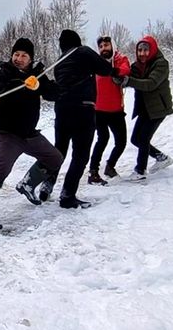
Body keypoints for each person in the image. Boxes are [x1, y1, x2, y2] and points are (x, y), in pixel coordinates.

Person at [0, 38, 63, 229]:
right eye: (16, 54)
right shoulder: (5, 73)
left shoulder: (37, 74)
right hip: (8, 134)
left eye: (24, 55)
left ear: (30, 58)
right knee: (2, 169)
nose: (19, 58)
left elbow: (54, 94)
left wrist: (39, 86)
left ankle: (28, 184)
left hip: (29, 134)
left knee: (55, 158)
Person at [35, 29, 115, 209]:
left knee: (60, 150)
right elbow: (105, 69)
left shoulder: (58, 63)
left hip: (62, 110)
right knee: (80, 154)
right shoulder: (83, 52)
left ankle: (47, 185)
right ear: (77, 41)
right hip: (83, 109)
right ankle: (67, 195)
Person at [118, 35, 173, 181]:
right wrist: (118, 73)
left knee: (143, 138)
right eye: (140, 50)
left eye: (146, 50)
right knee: (135, 138)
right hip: (145, 108)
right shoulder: (137, 66)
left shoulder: (161, 64)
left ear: (153, 49)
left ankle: (140, 171)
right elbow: (127, 72)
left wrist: (129, 81)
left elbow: (151, 83)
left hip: (158, 108)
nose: (142, 53)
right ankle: (161, 157)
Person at [87, 35, 131, 185]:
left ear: (112, 46)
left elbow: (126, 69)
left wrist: (117, 72)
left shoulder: (120, 58)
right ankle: (93, 172)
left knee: (121, 142)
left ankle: (110, 166)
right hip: (98, 110)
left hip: (116, 110)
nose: (103, 49)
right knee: (102, 139)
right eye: (100, 47)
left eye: (106, 45)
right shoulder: (95, 63)